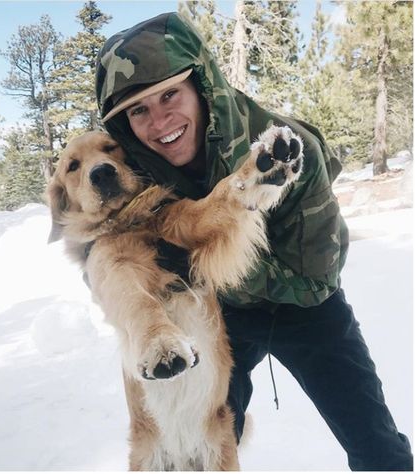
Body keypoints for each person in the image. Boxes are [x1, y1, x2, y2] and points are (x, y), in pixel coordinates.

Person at [95, 12, 413, 471]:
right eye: (138, 110)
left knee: (375, 443)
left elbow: (315, 281)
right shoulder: (143, 177)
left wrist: (198, 261)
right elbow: (109, 254)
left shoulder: (290, 144)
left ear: (201, 87)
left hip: (309, 312)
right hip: (228, 315)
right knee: (210, 439)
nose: (159, 120)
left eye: (169, 95)